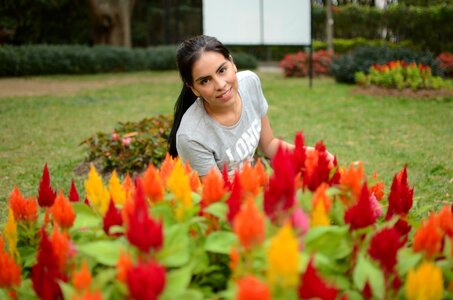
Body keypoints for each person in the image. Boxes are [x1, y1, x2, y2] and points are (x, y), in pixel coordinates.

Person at [168, 35, 295, 178]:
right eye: (205, 81)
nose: (221, 85)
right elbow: (218, 195)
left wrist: (311, 154)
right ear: (194, 88)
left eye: (222, 70)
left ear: (232, 62)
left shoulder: (250, 83)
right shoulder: (192, 137)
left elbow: (269, 144)